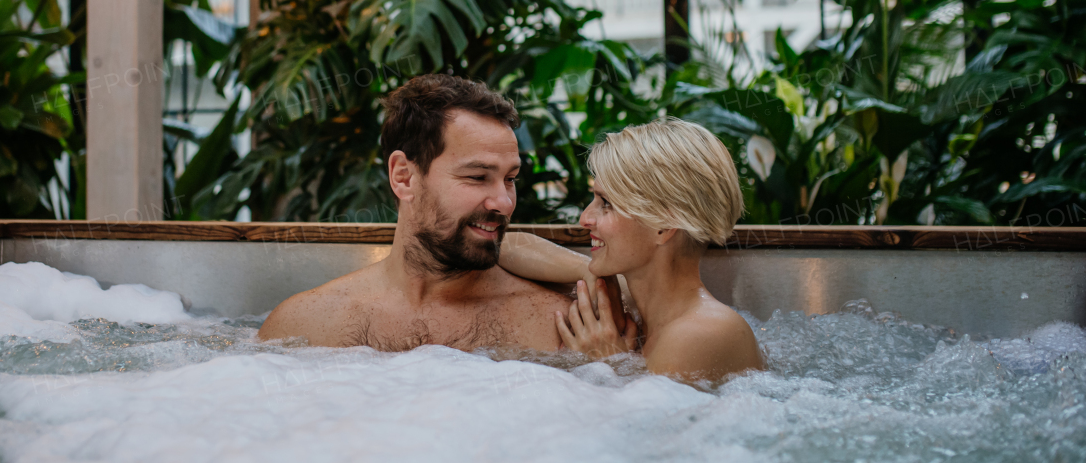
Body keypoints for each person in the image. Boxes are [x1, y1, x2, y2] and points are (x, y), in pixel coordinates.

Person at [257, 74, 570, 351]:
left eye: (510, 179)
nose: (503, 202)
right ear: (404, 177)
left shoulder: (558, 326)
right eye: (477, 177)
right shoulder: (306, 325)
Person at [497, 118, 764, 384]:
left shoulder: (701, 333)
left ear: (663, 225)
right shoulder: (642, 303)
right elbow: (505, 246)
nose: (585, 218)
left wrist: (608, 366)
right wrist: (590, 273)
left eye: (607, 204)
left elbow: (636, 424)